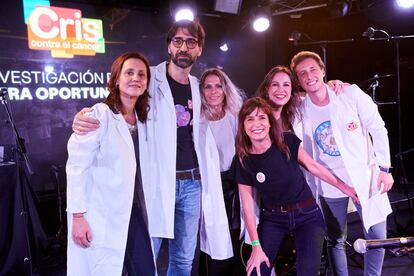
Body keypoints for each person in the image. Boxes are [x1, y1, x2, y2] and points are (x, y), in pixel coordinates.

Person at [71, 20, 232, 275]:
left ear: (199, 49)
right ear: (169, 46)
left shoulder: (196, 86)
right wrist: (84, 115)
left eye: (191, 42)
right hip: (157, 183)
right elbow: (119, 104)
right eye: (177, 41)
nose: (183, 47)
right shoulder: (150, 77)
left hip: (192, 184)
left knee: (183, 259)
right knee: (149, 255)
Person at [290, 51, 394, 276]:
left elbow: (378, 127)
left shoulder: (349, 93)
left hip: (365, 177)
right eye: (302, 73)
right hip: (329, 183)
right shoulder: (298, 108)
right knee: (335, 239)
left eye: (313, 70)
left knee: (377, 236)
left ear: (323, 71)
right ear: (298, 80)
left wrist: (384, 169)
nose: (309, 76)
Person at [234, 97, 358, 276]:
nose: (256, 124)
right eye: (250, 119)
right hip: (273, 220)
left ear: (270, 123)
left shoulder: (287, 141)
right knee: (256, 271)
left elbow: (314, 167)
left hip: (307, 216)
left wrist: (345, 188)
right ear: (243, 126)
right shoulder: (243, 160)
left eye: (261, 118)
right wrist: (255, 247)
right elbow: (247, 206)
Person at [66, 52, 155, 276]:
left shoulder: (144, 119)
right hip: (101, 215)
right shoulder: (100, 114)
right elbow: (76, 167)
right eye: (129, 73)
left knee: (144, 269)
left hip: (135, 212)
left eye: (141, 74)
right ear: (116, 79)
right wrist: (77, 217)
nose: (136, 78)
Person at [197, 68, 245, 275]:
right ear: (201, 91)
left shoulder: (236, 117)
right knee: (213, 244)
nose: (214, 91)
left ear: (225, 89)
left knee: (235, 239)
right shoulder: (195, 121)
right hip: (208, 189)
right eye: (208, 86)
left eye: (218, 86)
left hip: (235, 188)